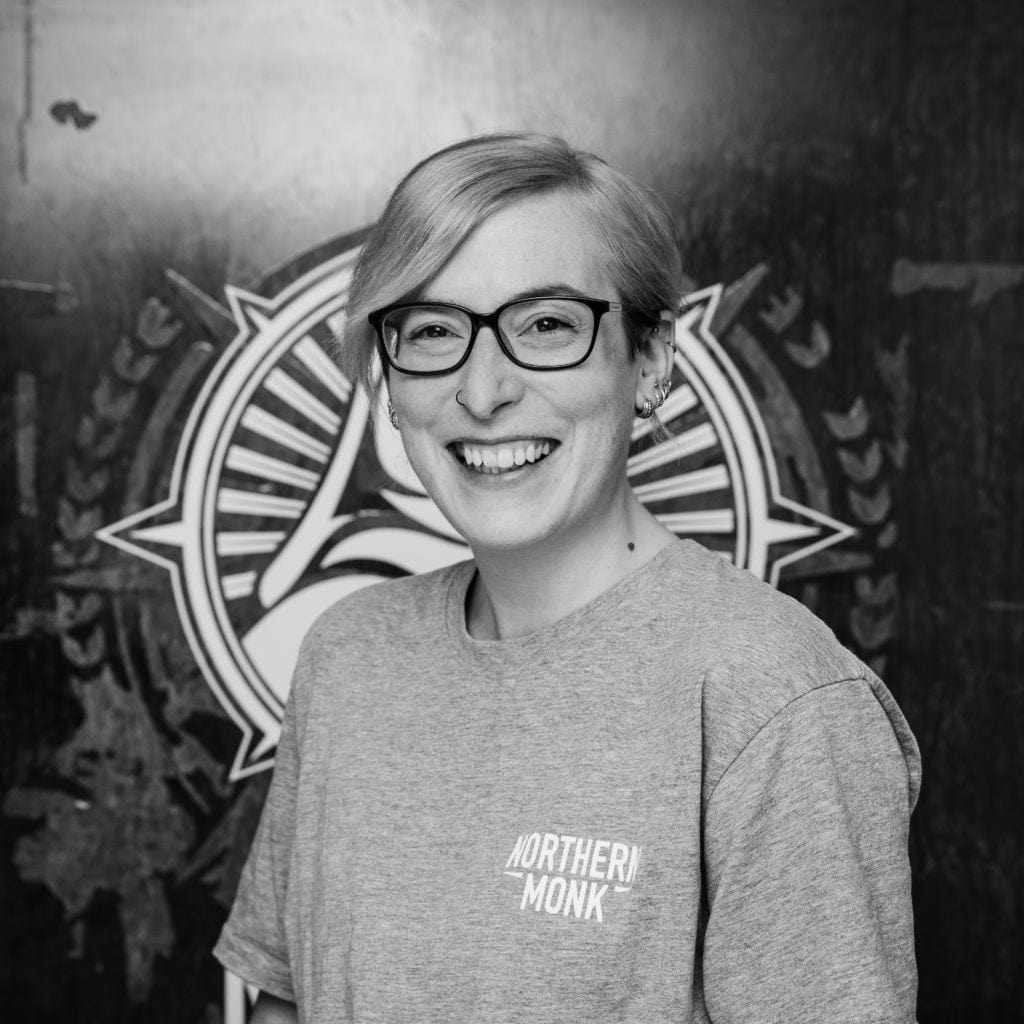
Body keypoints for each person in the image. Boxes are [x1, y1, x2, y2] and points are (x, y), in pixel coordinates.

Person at [214, 132, 921, 1023]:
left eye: (547, 324)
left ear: (650, 359)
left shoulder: (774, 700)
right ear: (389, 378)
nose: (483, 392)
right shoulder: (347, 654)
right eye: (432, 330)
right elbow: (283, 997)